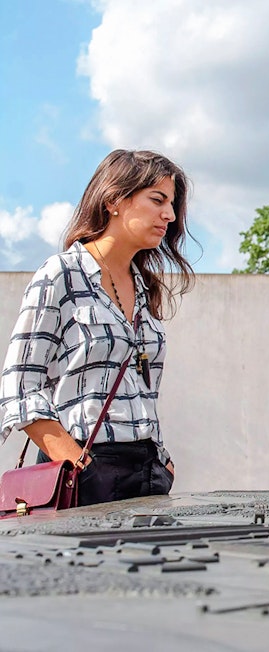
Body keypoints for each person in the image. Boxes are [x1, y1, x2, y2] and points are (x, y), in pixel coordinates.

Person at [0, 149, 195, 506]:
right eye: (157, 200)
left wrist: (162, 462)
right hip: (85, 472)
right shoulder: (60, 275)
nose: (168, 214)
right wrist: (78, 463)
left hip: (149, 471)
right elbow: (19, 387)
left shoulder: (145, 286)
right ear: (114, 199)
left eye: (171, 203)